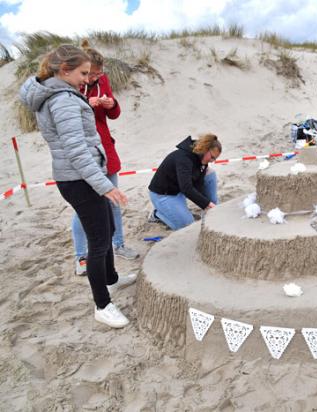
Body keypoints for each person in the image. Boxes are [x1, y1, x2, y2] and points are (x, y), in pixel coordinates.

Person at [20, 45, 136, 328]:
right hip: (79, 180)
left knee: (107, 229)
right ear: (65, 71)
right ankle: (102, 304)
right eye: (84, 73)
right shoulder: (63, 100)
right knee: (97, 243)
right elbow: (76, 150)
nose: (88, 79)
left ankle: (111, 278)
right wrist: (104, 185)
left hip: (83, 176)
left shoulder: (63, 93)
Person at [71, 40, 139, 277]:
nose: (95, 78)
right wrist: (85, 104)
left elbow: (114, 115)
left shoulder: (102, 81)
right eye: (92, 74)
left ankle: (118, 244)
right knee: (85, 208)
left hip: (106, 149)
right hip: (86, 154)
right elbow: (69, 121)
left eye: (99, 74)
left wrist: (111, 104)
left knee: (114, 200)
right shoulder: (70, 85)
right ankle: (81, 256)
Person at [148, 134, 221, 230]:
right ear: (205, 149)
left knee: (210, 174)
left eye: (215, 159)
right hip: (163, 194)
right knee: (187, 226)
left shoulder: (202, 158)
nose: (212, 161)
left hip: (179, 188)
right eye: (212, 157)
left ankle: (211, 211)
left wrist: (206, 204)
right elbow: (186, 188)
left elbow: (198, 182)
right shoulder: (184, 158)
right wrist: (207, 204)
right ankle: (157, 214)